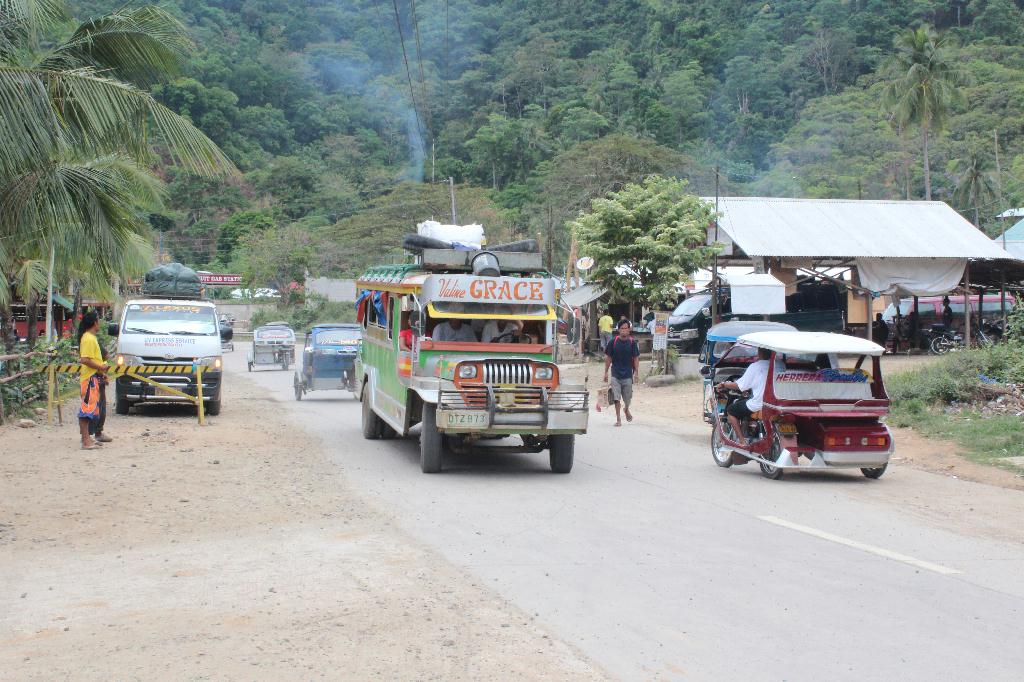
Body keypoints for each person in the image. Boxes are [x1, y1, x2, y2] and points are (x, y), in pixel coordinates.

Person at [716, 346, 771, 446]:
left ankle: (742, 441)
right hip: (775, 404)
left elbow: (740, 385)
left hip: (759, 404)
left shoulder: (755, 366)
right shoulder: (780, 365)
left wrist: (724, 384)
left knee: (731, 410)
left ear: (760, 353)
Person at [77, 311, 111, 450]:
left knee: (91, 409)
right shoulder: (89, 338)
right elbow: (85, 359)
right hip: (89, 379)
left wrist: (101, 372)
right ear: (95, 323)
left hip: (94, 376)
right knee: (86, 409)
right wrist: (101, 367)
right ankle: (86, 441)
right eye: (99, 320)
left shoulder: (90, 338)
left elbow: (92, 359)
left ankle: (88, 438)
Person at [603, 320, 640, 427]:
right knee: (616, 397)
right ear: (618, 330)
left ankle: (626, 408)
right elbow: (608, 358)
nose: (624, 330)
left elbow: (636, 358)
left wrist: (636, 373)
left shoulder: (632, 343)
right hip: (615, 374)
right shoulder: (612, 342)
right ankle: (618, 419)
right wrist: (605, 372)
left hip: (628, 375)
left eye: (626, 328)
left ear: (629, 330)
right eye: (622, 328)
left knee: (628, 398)